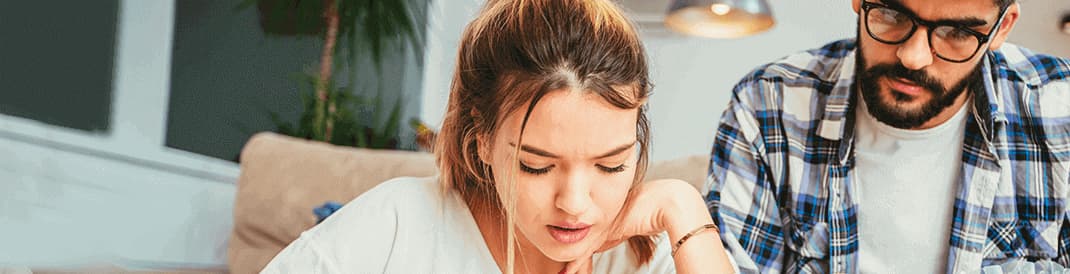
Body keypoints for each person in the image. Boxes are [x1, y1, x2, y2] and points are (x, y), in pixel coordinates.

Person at [263, 0, 733, 273]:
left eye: (611, 165)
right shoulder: (395, 226)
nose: (575, 203)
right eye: (536, 165)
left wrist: (684, 207)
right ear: (481, 138)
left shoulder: (650, 252)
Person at [704, 0, 1070, 272]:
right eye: (892, 14)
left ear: (1002, 27)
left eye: (958, 32)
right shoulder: (769, 104)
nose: (913, 55)